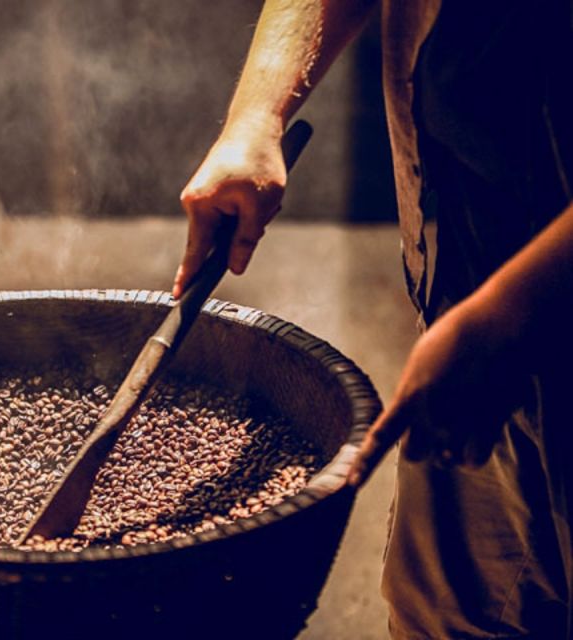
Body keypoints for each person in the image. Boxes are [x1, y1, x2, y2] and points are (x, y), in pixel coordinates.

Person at [174, 1, 573, 637]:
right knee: (445, 616)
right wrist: (256, 115)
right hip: (467, 296)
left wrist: (514, 316)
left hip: (517, 325)